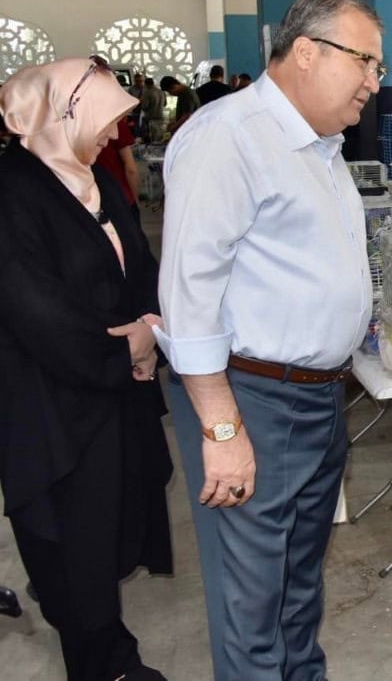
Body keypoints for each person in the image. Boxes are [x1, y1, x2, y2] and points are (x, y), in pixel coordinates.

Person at [155, 0, 381, 680]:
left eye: (379, 67)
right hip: (252, 398)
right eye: (365, 62)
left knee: (298, 589)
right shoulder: (229, 136)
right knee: (252, 602)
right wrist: (223, 430)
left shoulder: (320, 147)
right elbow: (189, 292)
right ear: (306, 52)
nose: (374, 82)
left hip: (319, 397)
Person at [0, 57, 173, 681]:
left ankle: (113, 655)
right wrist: (125, 351)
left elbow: (142, 260)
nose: (110, 135)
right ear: (62, 116)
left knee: (103, 538)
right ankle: (102, 666)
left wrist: (151, 326)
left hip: (113, 393)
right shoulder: (12, 191)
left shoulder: (94, 176)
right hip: (53, 408)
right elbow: (32, 306)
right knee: (71, 549)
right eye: (102, 120)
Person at [94, 114, 143, 224]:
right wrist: (135, 199)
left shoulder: (78, 124)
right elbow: (131, 169)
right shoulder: (116, 124)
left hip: (95, 198)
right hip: (121, 197)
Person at [137, 76, 166, 141]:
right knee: (160, 136)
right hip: (161, 116)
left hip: (151, 118)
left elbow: (145, 107)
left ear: (146, 84)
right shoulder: (161, 91)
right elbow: (165, 104)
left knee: (153, 138)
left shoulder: (147, 92)